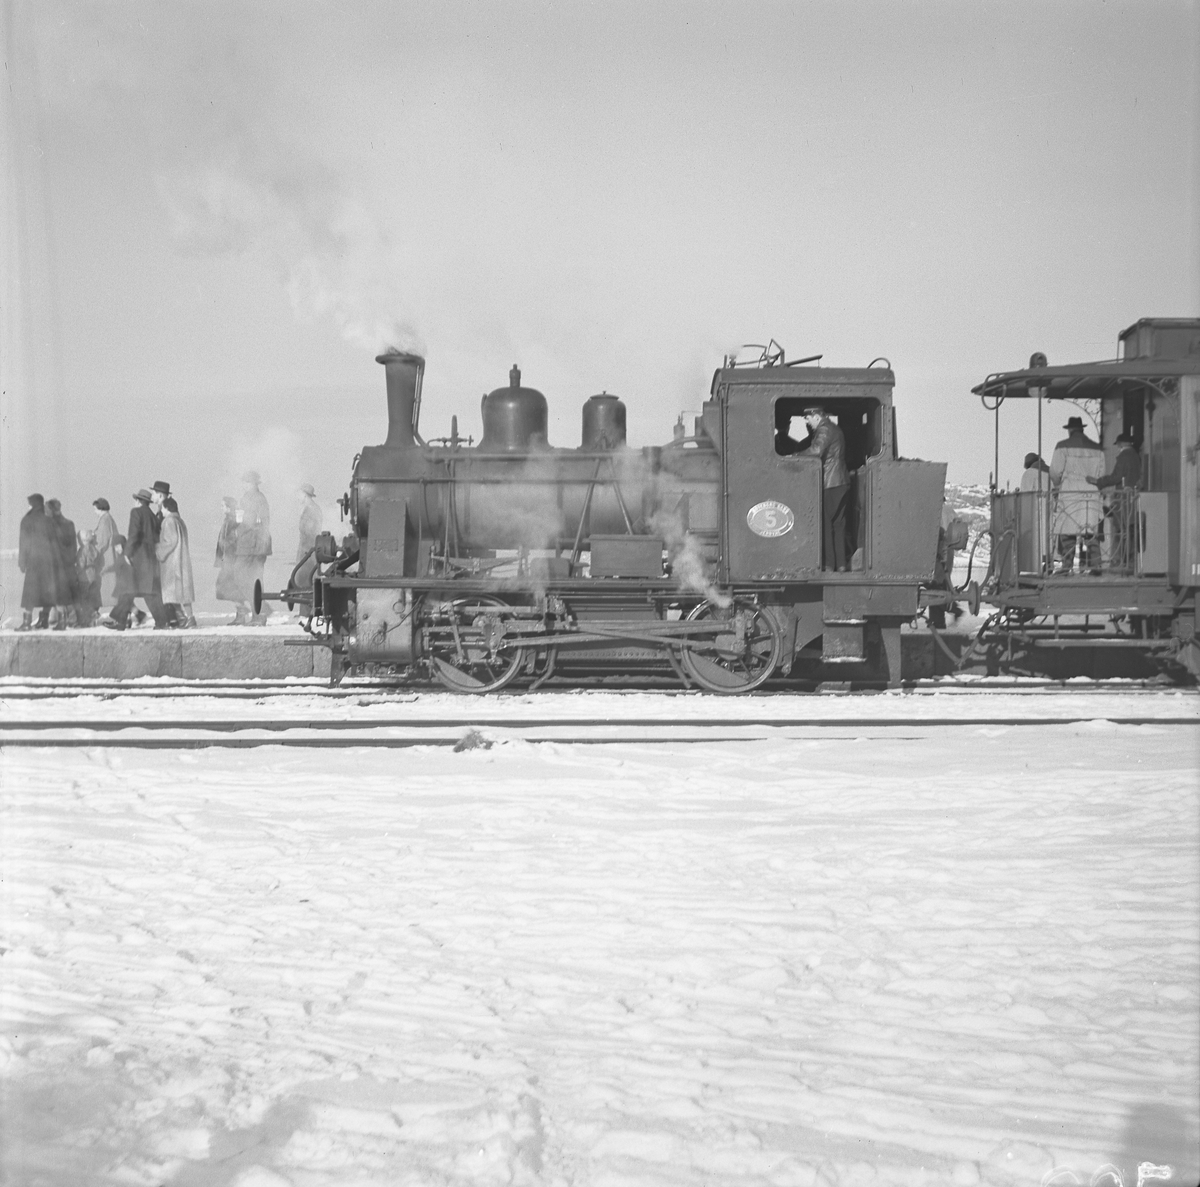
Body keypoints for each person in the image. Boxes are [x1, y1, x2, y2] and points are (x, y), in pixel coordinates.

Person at [789, 407, 850, 571]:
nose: (808, 422)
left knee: (825, 524)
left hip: (830, 482)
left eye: (808, 418)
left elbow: (816, 450)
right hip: (841, 481)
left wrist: (795, 456)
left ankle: (829, 564)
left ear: (816, 416)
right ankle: (841, 564)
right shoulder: (834, 428)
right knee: (838, 525)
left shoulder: (824, 429)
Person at [105, 489, 168, 629]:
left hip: (138, 557)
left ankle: (120, 621)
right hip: (151, 557)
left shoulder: (136, 512)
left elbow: (133, 534)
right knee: (149, 591)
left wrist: (127, 553)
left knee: (129, 589)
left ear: (138, 501)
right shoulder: (152, 515)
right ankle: (161, 621)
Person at [1049, 416, 1104, 573]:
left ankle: (1067, 566)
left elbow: (1055, 472)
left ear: (1070, 430)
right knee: (1090, 532)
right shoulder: (1097, 448)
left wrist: (1058, 485)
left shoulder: (1062, 446)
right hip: (1091, 494)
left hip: (1070, 493)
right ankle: (1096, 566)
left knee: (1067, 533)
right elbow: (1102, 473)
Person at [1088, 433, 1141, 572]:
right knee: (1130, 530)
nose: (1117, 447)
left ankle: (1123, 562)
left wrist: (1098, 481)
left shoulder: (1124, 456)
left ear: (1121, 444)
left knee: (1121, 530)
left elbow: (1116, 477)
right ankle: (1130, 561)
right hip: (1132, 497)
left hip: (1123, 499)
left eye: (1118, 444)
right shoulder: (1135, 455)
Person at [17, 494, 59, 631]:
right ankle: (44, 620)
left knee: (30, 593)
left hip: (33, 562)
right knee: (48, 592)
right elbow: (54, 542)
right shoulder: (48, 521)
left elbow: (23, 543)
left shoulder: (26, 520)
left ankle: (27, 622)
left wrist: (22, 562)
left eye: (29, 504)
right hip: (48, 562)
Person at [237, 471, 272, 626]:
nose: (244, 485)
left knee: (251, 578)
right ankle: (261, 610)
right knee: (243, 577)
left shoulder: (258, 498)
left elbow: (263, 522)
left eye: (247, 482)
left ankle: (260, 613)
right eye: (244, 482)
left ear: (254, 484)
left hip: (254, 545)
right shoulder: (248, 497)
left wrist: (261, 544)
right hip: (247, 544)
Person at [156, 496, 197, 627]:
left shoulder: (168, 521)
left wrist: (158, 550)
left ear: (167, 508)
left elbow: (170, 541)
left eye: (162, 508)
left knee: (171, 592)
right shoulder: (180, 521)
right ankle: (188, 618)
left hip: (172, 562)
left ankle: (185, 618)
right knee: (182, 592)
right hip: (182, 560)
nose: (161, 511)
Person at [215, 496, 248, 623]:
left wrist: (226, 548)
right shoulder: (229, 520)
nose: (221, 508)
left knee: (226, 586)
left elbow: (232, 540)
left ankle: (242, 612)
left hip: (231, 559)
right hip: (228, 558)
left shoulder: (232, 521)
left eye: (223, 505)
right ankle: (241, 612)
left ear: (229, 507)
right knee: (229, 586)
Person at [45, 499, 78, 629]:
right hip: (68, 563)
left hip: (55, 564)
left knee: (57, 592)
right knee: (66, 592)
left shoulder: (50, 525)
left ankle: (61, 620)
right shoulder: (69, 523)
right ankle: (70, 619)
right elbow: (73, 546)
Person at [1019, 452, 1051, 572]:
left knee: (1038, 541)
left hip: (1037, 511)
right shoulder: (1051, 472)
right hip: (1053, 511)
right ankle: (1049, 564)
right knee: (1049, 541)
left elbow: (1025, 496)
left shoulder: (1029, 474)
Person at [293, 483, 323, 591]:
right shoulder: (311, 509)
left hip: (308, 550)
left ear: (305, 495)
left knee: (306, 580)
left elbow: (310, 532)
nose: (298, 497)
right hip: (307, 549)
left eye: (299, 494)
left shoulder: (311, 510)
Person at [92, 498, 119, 607]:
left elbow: (102, 540)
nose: (95, 512)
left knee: (106, 585)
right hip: (110, 555)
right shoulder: (108, 518)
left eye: (95, 509)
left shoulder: (104, 520)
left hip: (106, 557)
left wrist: (94, 554)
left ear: (100, 509)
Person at [74, 529, 103, 626]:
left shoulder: (82, 550)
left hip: (84, 577)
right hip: (94, 576)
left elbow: (81, 564)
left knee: (83, 599)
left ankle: (91, 615)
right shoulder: (94, 549)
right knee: (91, 598)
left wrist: (75, 570)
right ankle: (92, 619)